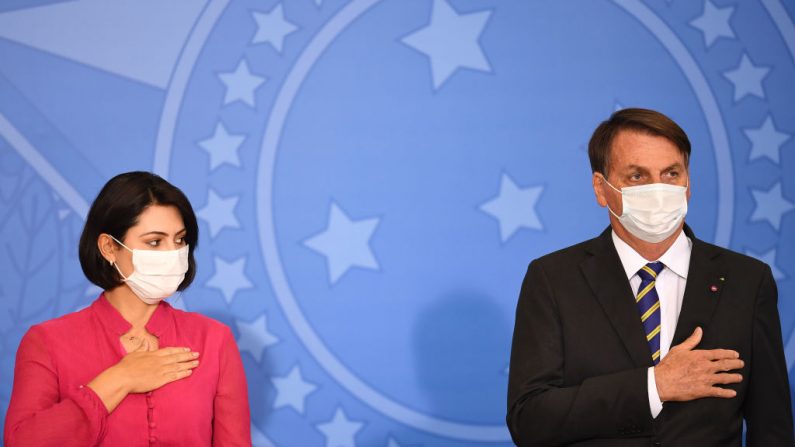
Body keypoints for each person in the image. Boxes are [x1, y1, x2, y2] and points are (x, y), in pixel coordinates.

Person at [506, 108, 794, 446]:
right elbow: (529, 419)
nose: (659, 191)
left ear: (688, 184)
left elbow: (771, 428)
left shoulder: (747, 281)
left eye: (671, 173)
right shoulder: (554, 280)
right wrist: (653, 387)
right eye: (637, 176)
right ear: (601, 188)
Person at [4, 172, 251, 446]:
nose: (173, 253)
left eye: (179, 240)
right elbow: (22, 441)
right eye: (155, 242)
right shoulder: (47, 342)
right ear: (109, 248)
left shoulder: (214, 339)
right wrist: (120, 378)